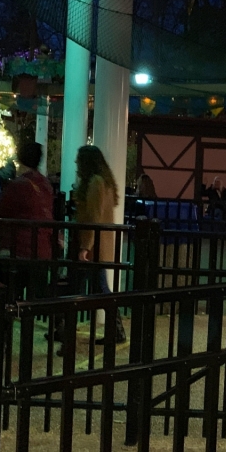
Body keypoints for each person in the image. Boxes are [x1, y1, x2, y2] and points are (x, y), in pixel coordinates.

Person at [74, 145, 126, 344]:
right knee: (100, 288)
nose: (76, 163)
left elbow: (93, 217)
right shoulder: (104, 182)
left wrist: (85, 246)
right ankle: (117, 331)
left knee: (83, 289)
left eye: (79, 160)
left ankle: (66, 332)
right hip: (100, 245)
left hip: (93, 246)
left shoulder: (95, 183)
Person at [0, 142, 55, 297]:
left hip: (18, 250)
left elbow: (2, 213)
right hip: (41, 249)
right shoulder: (45, 184)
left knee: (10, 294)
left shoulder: (17, 185)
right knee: (33, 301)